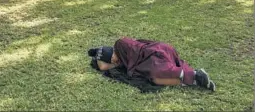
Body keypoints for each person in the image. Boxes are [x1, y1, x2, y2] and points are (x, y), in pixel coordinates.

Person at [88, 37, 216, 92]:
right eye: (112, 62)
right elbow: (103, 67)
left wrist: (132, 68)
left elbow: (136, 55)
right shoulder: (121, 59)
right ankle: (195, 80)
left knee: (155, 70)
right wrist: (104, 59)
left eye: (112, 58)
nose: (114, 62)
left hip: (155, 54)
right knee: (155, 79)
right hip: (152, 57)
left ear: (112, 52)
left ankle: (194, 75)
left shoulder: (120, 44)